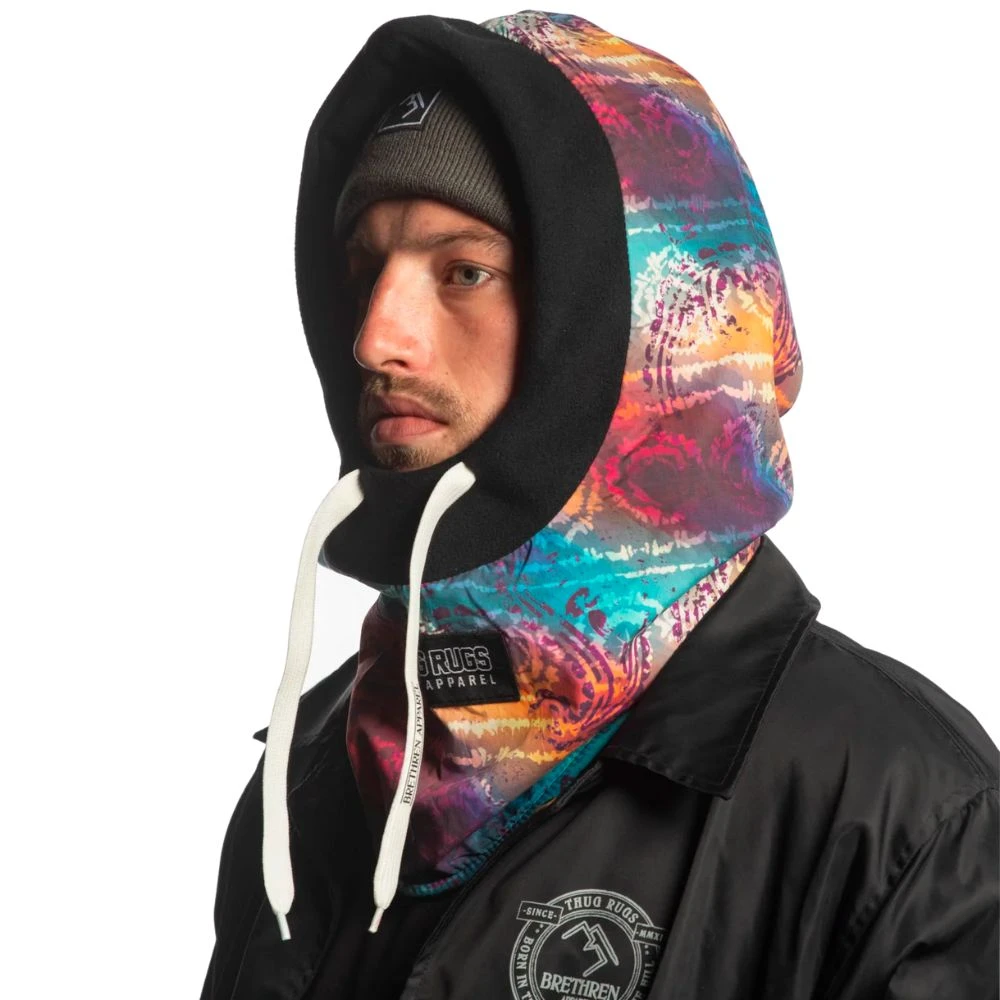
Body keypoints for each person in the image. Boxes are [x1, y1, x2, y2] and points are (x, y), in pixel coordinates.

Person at [200, 11, 999, 1000]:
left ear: (643, 318)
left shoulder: (905, 819)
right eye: (367, 269)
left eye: (465, 272)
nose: (374, 337)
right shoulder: (321, 761)